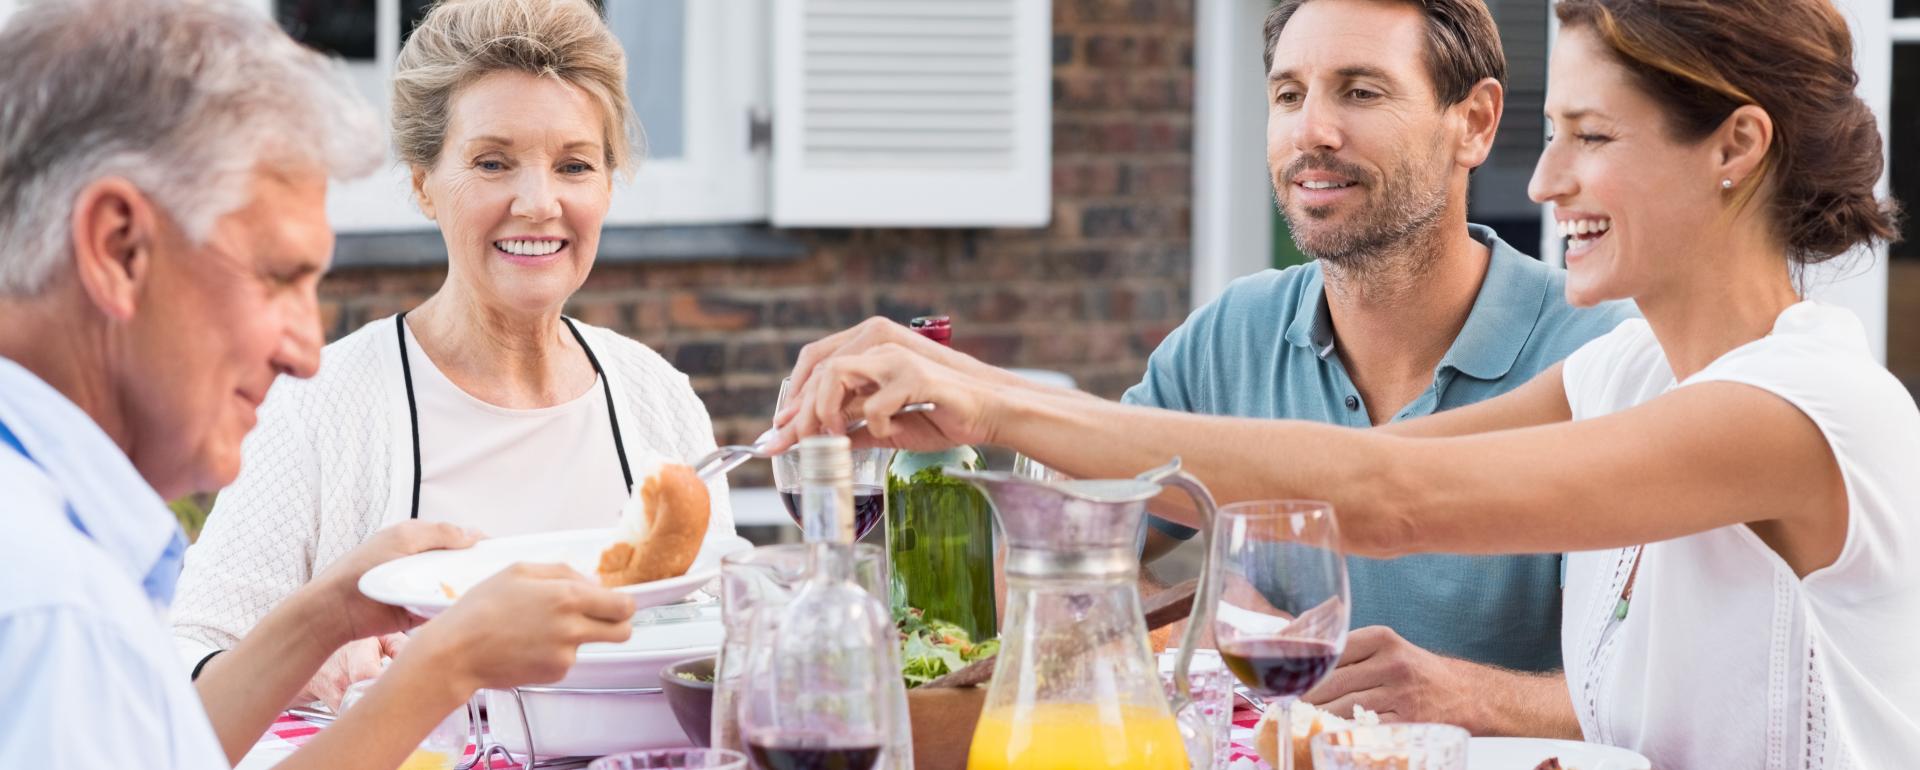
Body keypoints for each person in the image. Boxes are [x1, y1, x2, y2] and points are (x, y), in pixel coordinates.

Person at [775, 0, 1920, 765]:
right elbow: (1385, 470)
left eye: (1590, 137)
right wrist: (993, 407)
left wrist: (994, 395)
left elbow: (1387, 500)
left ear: (1736, 146)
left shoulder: (1802, 409)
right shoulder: (1632, 368)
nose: (1549, 175)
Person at [0, 1, 637, 768]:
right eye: (277, 277)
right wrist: (449, 665)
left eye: (575, 163)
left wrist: (327, 614)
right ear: (118, 248)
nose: (307, 351)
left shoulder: (55, 552)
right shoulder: (51, 609)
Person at [170, 0, 735, 710]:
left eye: (575, 165)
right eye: (493, 162)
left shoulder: (657, 395)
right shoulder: (323, 402)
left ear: (607, 185)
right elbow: (189, 653)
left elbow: (725, 644)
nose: (538, 202)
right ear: (421, 184)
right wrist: (310, 656)